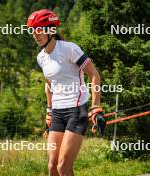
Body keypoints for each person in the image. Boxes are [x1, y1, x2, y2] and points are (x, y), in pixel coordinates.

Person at [27, 9, 102, 176]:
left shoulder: (69, 49)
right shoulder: (41, 57)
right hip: (57, 113)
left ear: (50, 30)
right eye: (32, 30)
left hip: (76, 110)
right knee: (52, 167)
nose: (34, 34)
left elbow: (94, 74)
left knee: (63, 166)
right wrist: (49, 111)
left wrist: (95, 107)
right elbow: (49, 85)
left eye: (39, 30)